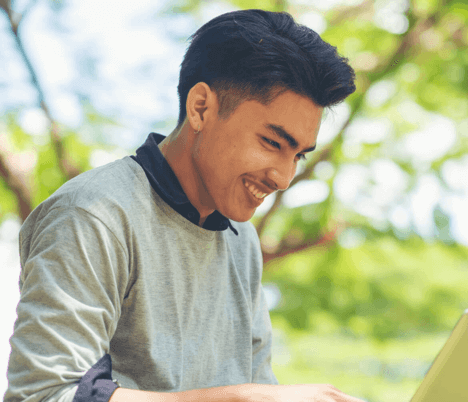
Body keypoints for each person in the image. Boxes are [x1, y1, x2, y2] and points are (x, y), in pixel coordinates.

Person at [4, 9, 363, 402]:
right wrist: (240, 398)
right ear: (201, 108)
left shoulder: (241, 239)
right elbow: (43, 395)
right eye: (273, 143)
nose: (283, 177)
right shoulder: (95, 215)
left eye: (298, 155)